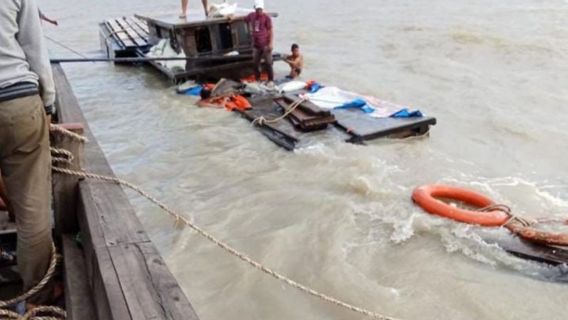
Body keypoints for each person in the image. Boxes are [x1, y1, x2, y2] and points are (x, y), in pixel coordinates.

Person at [0, 0, 56, 307]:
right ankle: (36, 297)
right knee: (33, 208)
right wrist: (48, 102)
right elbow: (35, 49)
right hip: (17, 102)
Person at [246, 0, 274, 87]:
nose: (259, 11)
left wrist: (271, 43)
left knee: (268, 63)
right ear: (255, 9)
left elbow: (271, 30)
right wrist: (232, 18)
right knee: (255, 63)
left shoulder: (266, 17)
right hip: (256, 45)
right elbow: (244, 19)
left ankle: (270, 80)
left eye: (260, 9)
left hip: (265, 44)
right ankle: (258, 79)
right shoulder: (251, 16)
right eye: (258, 9)